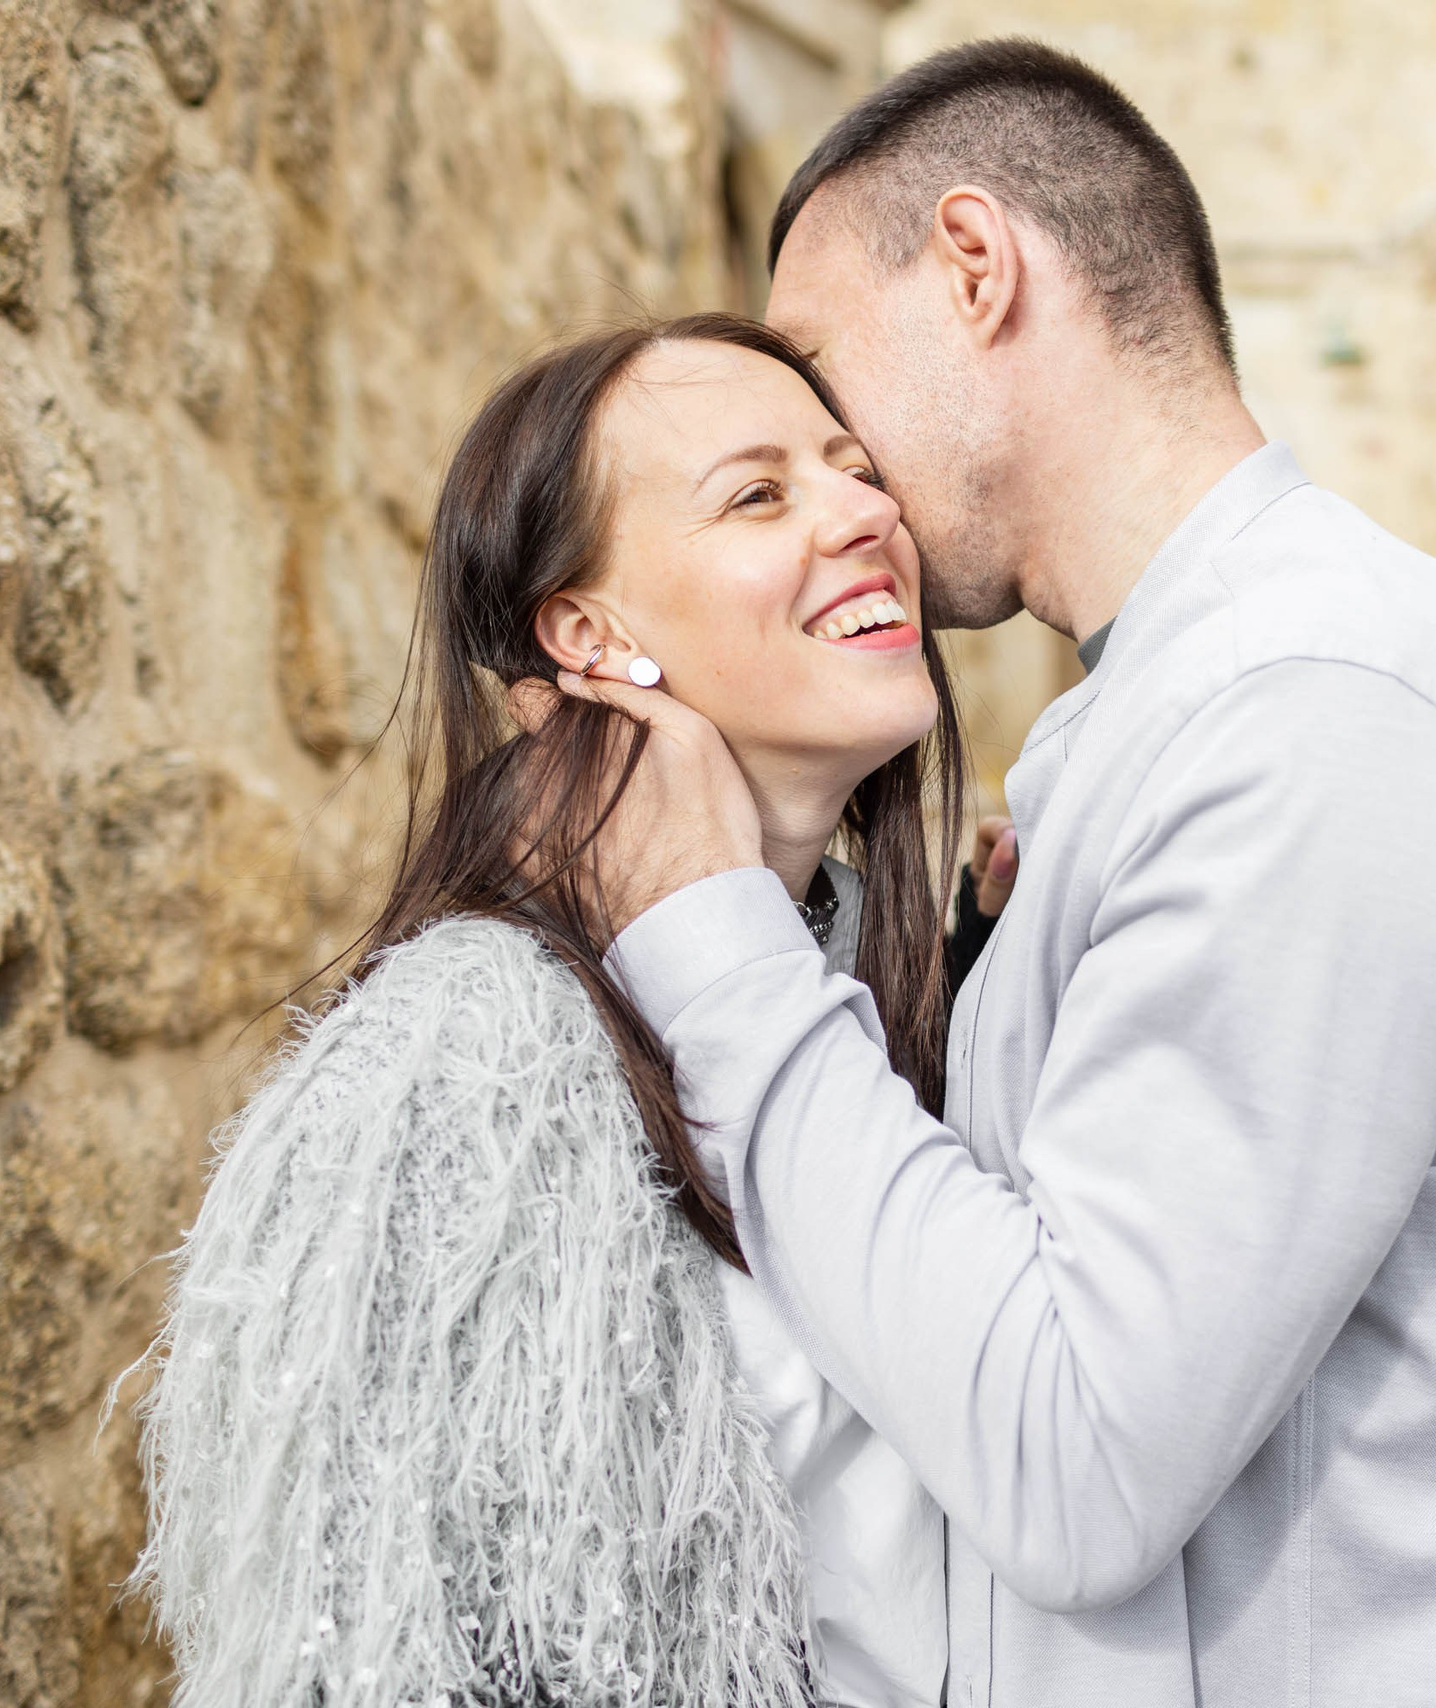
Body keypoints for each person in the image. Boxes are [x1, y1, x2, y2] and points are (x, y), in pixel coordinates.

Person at [553, 40, 1436, 1708]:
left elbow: (1078, 1463)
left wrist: (716, 943)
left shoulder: (1319, 711)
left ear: (975, 267)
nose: (846, 475)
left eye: (827, 381)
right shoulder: (1176, 711)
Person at [127, 314, 976, 1708]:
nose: (867, 513)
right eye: (759, 495)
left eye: (856, 469)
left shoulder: (894, 991)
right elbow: (367, 1653)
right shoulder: (457, 1072)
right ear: (591, 635)